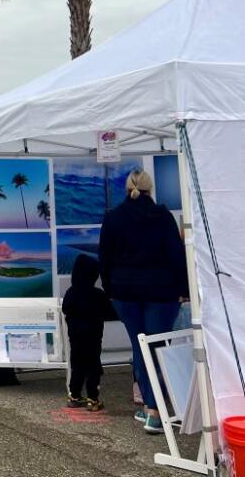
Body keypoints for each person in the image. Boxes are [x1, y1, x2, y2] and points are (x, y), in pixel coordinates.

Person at [99, 168, 188, 435]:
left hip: (125, 294)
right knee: (158, 347)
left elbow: (104, 259)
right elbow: (176, 255)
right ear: (150, 188)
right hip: (161, 294)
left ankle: (152, 408)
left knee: (141, 348)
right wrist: (183, 289)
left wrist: (110, 290)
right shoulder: (163, 216)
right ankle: (154, 410)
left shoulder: (113, 218)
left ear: (126, 189)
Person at [63, 254, 107, 411]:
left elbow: (65, 309)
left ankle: (74, 395)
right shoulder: (98, 295)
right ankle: (93, 399)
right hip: (93, 338)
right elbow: (108, 312)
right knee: (93, 367)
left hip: (75, 337)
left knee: (78, 366)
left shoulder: (70, 292)